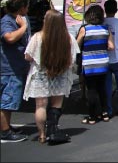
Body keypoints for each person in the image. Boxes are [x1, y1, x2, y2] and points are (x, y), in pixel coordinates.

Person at [23, 9, 80, 144]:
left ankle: (42, 134)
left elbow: (28, 57)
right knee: (56, 105)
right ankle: (53, 130)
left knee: (40, 105)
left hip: (41, 75)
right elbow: (72, 59)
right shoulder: (69, 38)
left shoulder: (37, 37)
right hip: (60, 74)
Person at [76, 5, 114, 125]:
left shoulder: (85, 29)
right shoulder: (105, 28)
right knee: (102, 89)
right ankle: (105, 113)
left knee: (91, 90)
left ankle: (92, 116)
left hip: (89, 64)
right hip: (103, 62)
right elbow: (111, 46)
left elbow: (76, 45)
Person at [1, 0, 30, 143]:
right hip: (9, 68)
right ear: (21, 8)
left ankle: (6, 126)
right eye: (26, 6)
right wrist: (23, 27)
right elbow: (9, 38)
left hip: (17, 66)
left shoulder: (20, 19)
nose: (28, 9)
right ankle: (5, 132)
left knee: (11, 100)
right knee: (7, 100)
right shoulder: (7, 21)